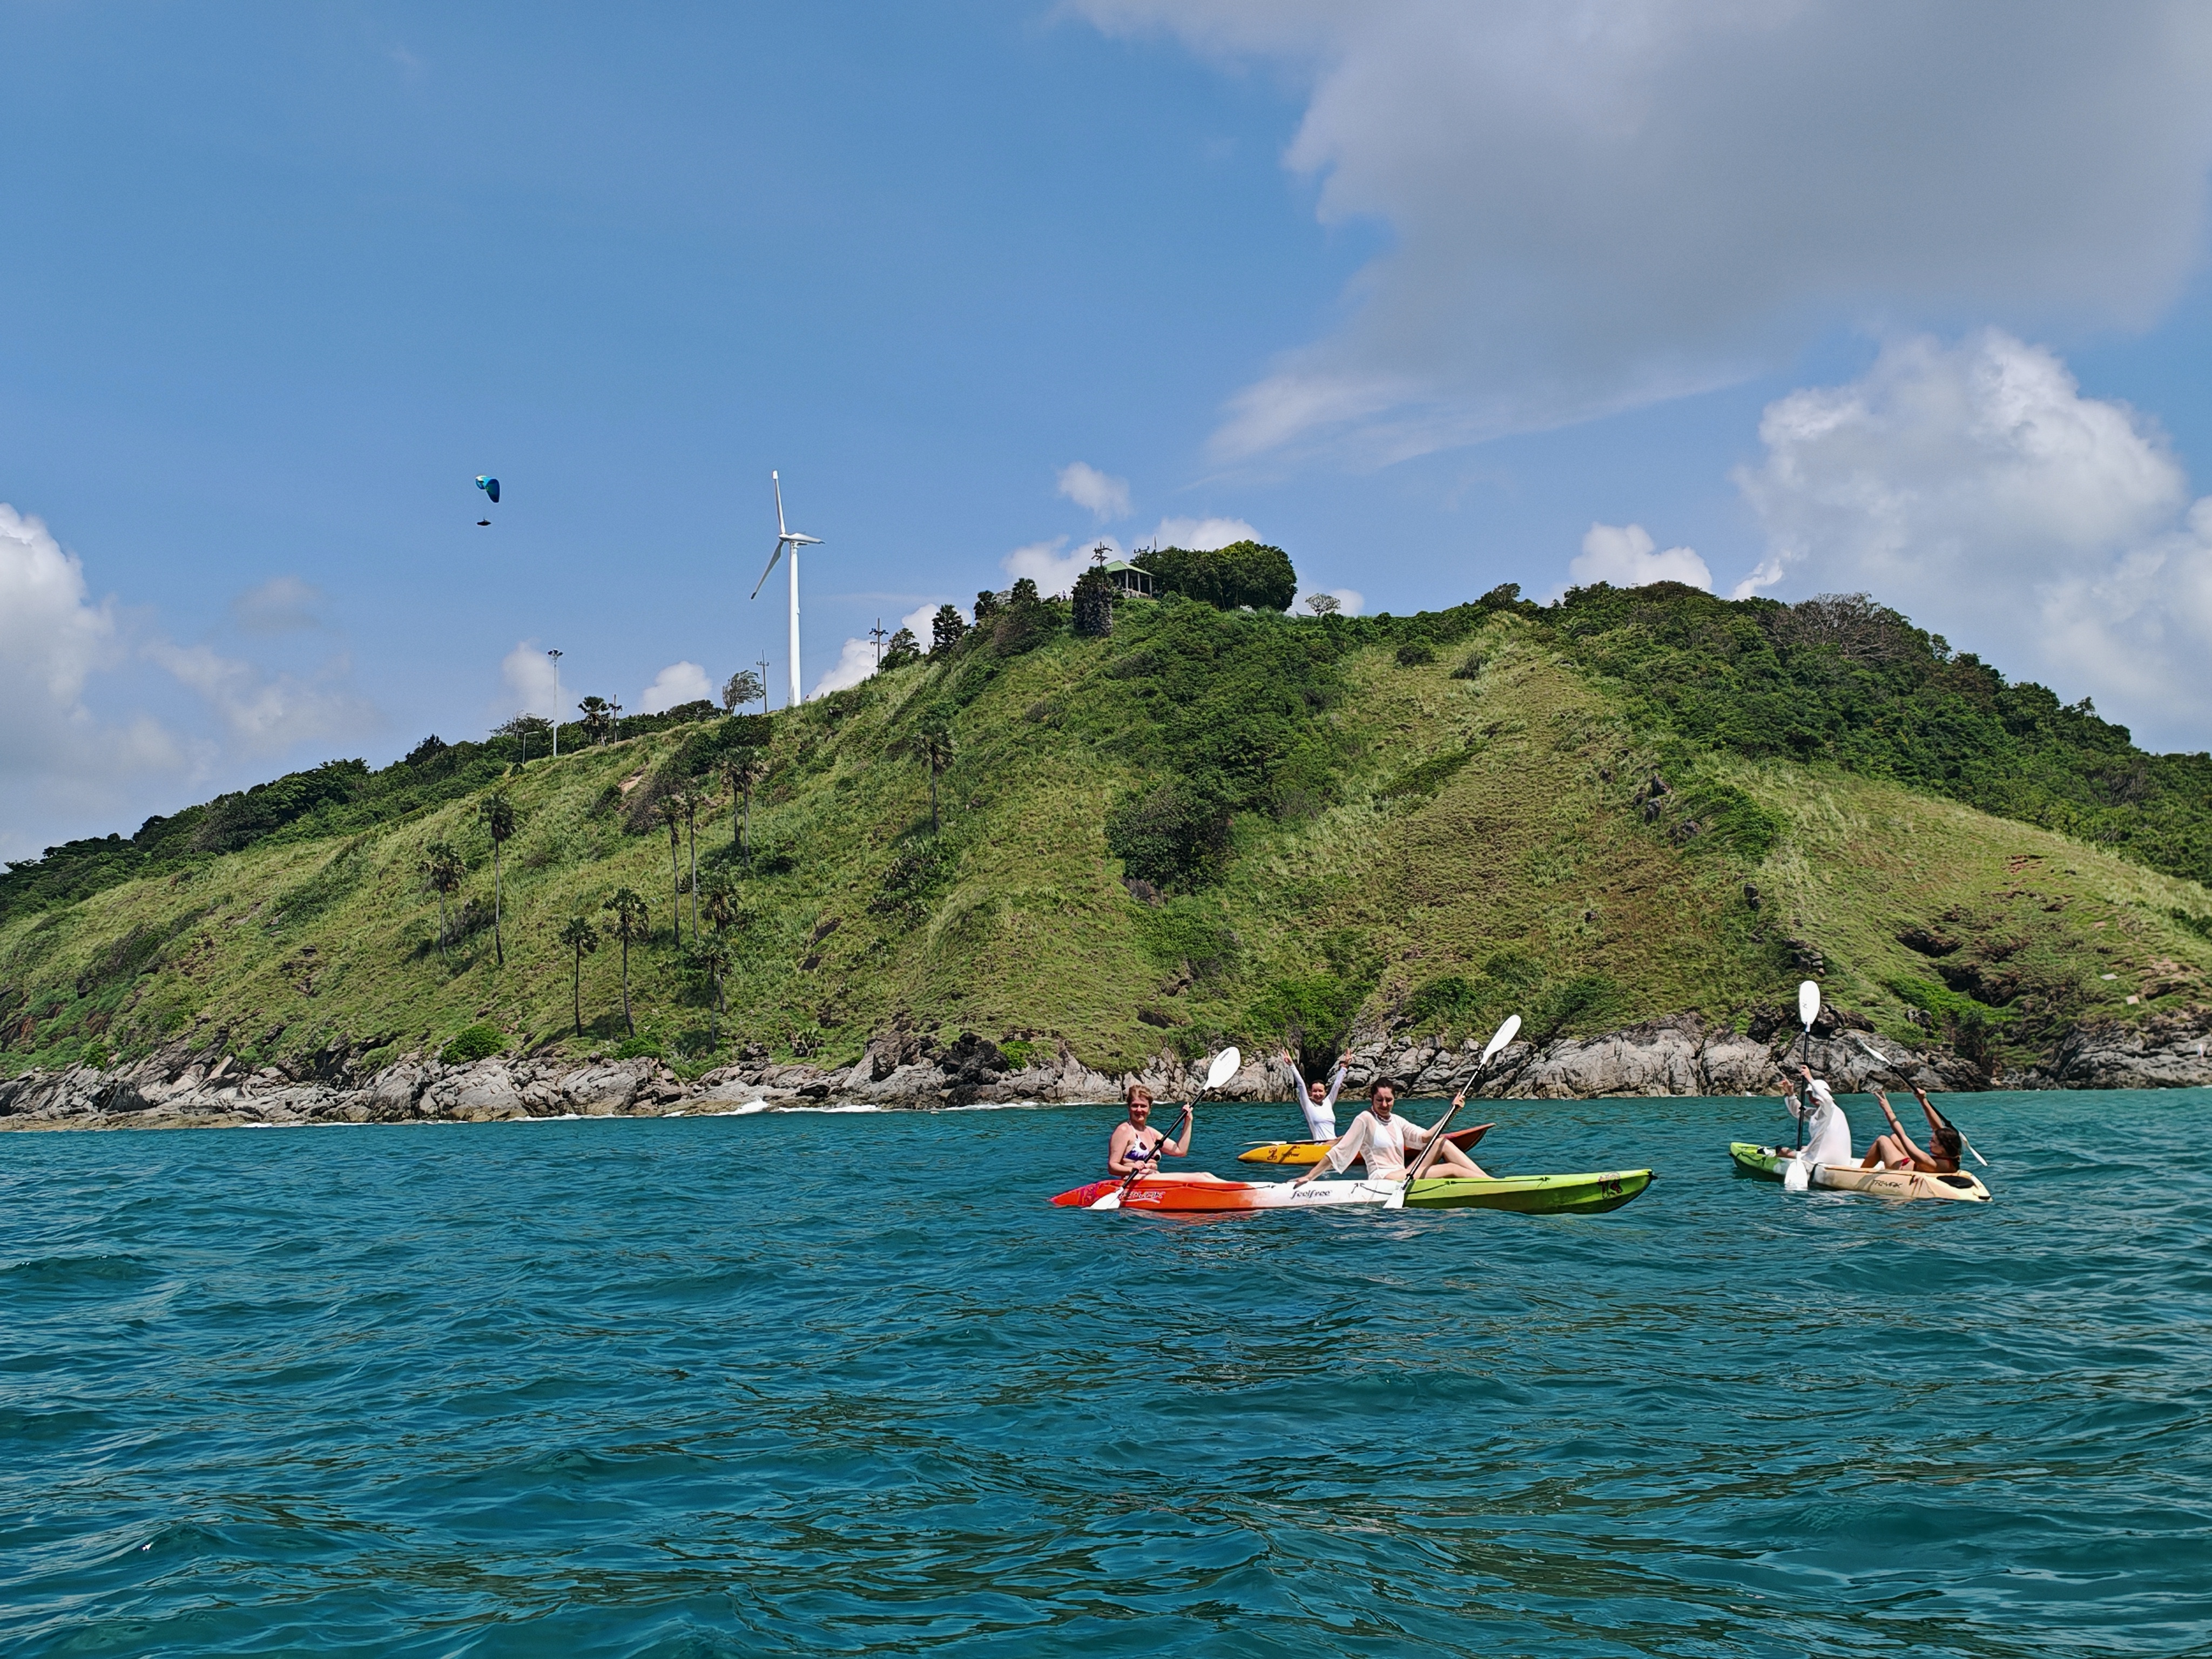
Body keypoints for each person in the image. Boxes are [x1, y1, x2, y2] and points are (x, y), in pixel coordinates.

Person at [1290, 1078, 1489, 1187]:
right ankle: (1493, 1186)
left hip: (1404, 1173)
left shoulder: (1397, 1121)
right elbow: (1339, 1151)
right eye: (1380, 1101)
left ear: (1394, 1099)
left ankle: (1491, 1183)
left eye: (1389, 1100)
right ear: (1372, 1100)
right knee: (1451, 1169)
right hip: (1384, 1179)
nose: (1385, 1105)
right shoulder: (1365, 1119)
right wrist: (1310, 1176)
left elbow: (1426, 1138)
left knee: (1441, 1143)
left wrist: (1453, 1111)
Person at [1860, 1083, 1963, 1173]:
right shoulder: (1955, 1157)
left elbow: (1902, 1135)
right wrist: (1923, 1100)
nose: (1930, 1142)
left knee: (1882, 1140)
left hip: (1900, 1167)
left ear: (1942, 1149)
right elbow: (1937, 1128)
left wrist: (1887, 1109)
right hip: (1915, 1163)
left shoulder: (1928, 1162)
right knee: (1894, 1137)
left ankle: (1860, 1172)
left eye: (1933, 1141)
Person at [1107, 1083, 1193, 1176]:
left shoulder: (1152, 1133)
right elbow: (1112, 1166)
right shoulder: (1124, 1130)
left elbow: (1180, 1151)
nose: (1139, 1110)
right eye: (1135, 1106)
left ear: (1149, 1109)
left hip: (1154, 1180)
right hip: (1135, 1182)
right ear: (1129, 1108)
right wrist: (1132, 1169)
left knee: (1206, 1176)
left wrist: (1188, 1121)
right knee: (1203, 1178)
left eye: (1143, 1106)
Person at [1782, 1064, 1853, 1166]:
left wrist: (1809, 1078)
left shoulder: (1831, 1109)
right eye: (1810, 1094)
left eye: (1815, 1093)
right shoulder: (1817, 1113)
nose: (1813, 1097)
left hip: (1823, 1161)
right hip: (1837, 1160)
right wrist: (1791, 1094)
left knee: (1783, 1151)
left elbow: (1827, 1099)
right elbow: (1798, 1112)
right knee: (1803, 1148)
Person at [1276, 1048, 1347, 1142]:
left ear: (1325, 1092)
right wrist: (1291, 1065)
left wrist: (1345, 1067)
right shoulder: (1308, 1105)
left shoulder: (1328, 1102)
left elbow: (1337, 1085)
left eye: (1320, 1091)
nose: (1318, 1094)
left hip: (1334, 1144)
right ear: (1310, 1093)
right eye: (1315, 1091)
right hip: (1321, 1146)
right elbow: (1301, 1084)